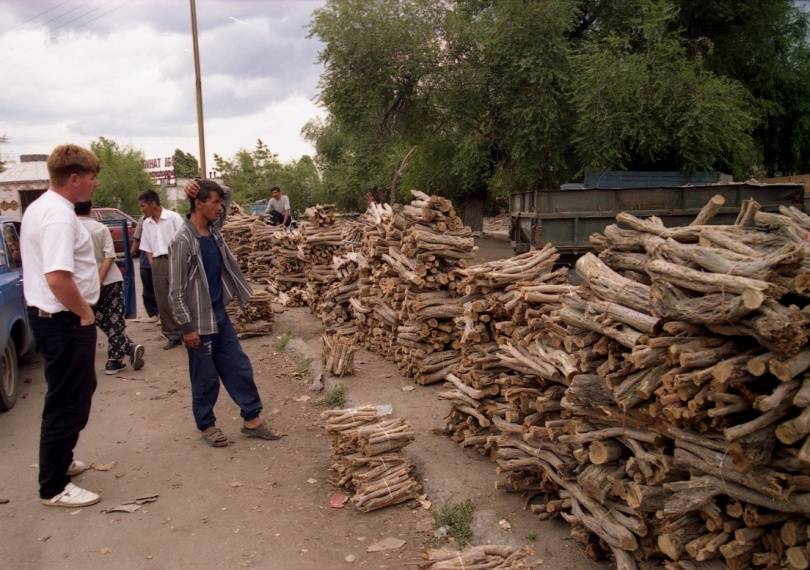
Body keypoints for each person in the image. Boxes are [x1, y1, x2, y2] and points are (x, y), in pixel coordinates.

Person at [169, 180, 281, 447]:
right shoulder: (183, 241)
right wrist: (187, 327)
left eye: (220, 203)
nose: (220, 208)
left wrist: (198, 184)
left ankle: (251, 420)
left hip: (219, 315)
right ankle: (207, 425)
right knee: (205, 378)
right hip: (198, 323)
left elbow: (227, 194)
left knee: (239, 367)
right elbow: (175, 291)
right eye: (215, 202)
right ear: (199, 204)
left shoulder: (213, 230)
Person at [21, 144, 102, 508]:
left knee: (75, 392)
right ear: (73, 178)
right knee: (67, 401)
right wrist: (84, 312)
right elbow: (57, 277)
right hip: (65, 319)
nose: (93, 184)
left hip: (56, 318)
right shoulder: (58, 217)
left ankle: (62, 460)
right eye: (90, 177)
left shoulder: (41, 208)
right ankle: (52, 487)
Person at [75, 201, 146, 375]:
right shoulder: (100, 228)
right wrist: (100, 279)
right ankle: (123, 353)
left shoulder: (70, 231)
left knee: (98, 318)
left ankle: (119, 356)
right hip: (111, 280)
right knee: (114, 320)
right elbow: (110, 257)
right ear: (90, 209)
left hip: (84, 284)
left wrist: (93, 282)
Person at [137, 190, 184, 349]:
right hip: (158, 262)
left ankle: (189, 330)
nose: (141, 209)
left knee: (181, 296)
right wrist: (153, 264)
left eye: (143, 206)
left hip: (176, 259)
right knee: (163, 300)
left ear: (152, 203)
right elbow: (147, 247)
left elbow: (184, 241)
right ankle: (173, 335)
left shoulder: (173, 218)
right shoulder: (146, 223)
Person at [131, 215, 159, 323]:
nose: (142, 209)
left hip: (159, 260)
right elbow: (137, 240)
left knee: (159, 289)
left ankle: (161, 315)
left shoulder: (166, 219)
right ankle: (154, 314)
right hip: (146, 262)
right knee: (148, 289)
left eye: (143, 205)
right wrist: (130, 255)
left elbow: (136, 240)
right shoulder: (143, 220)